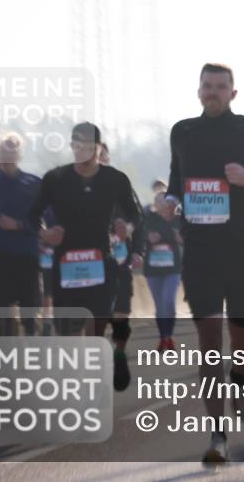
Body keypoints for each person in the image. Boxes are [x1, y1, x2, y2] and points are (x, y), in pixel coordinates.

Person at [163, 63, 244, 465]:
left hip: (241, 248)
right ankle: (218, 437)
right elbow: (176, 180)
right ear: (198, 90)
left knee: (240, 338)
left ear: (233, 94)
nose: (213, 92)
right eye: (208, 86)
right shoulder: (183, 131)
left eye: (221, 87)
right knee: (208, 346)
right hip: (200, 250)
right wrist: (169, 201)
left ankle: (240, 379)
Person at [28, 122, 143, 390]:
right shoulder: (55, 178)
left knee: (94, 333)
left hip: (101, 264)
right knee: (67, 333)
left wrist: (127, 227)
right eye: (79, 147)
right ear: (72, 147)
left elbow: (135, 214)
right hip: (65, 263)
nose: (85, 153)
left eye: (91, 148)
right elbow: (33, 215)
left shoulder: (115, 179)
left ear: (99, 148)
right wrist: (45, 233)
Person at [0, 134, 42, 338]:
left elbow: (42, 221)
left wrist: (18, 224)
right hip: (0, 256)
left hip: (27, 255)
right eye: (3, 152)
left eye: (12, 152)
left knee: (28, 309)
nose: (7, 156)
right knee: (3, 309)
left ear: (20, 155)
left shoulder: (34, 183)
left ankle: (32, 348)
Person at [99, 141, 145, 384]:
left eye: (101, 153)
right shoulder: (73, 185)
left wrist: (137, 248)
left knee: (119, 313)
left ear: (106, 156)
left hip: (119, 258)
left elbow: (138, 218)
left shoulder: (120, 183)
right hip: (89, 260)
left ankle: (118, 352)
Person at [144, 191, 183, 351]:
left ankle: (169, 335)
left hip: (172, 268)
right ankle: (163, 338)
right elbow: (139, 238)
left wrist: (179, 238)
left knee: (168, 301)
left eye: (165, 202)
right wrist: (148, 238)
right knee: (159, 305)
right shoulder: (149, 219)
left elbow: (186, 240)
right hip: (153, 268)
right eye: (159, 202)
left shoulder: (178, 220)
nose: (163, 205)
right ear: (155, 204)